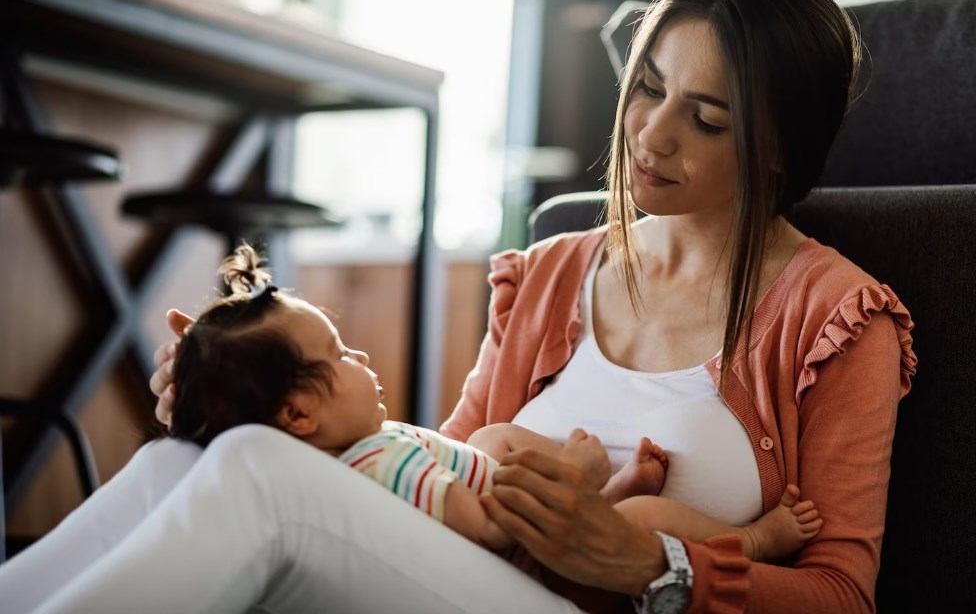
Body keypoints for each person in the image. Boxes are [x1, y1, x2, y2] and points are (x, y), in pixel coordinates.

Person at [0, 0, 916, 613]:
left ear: (778, 149)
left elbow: (840, 593)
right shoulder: (557, 267)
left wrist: (656, 565)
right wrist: (247, 395)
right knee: (185, 459)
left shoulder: (837, 318)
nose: (651, 136)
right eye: (647, 88)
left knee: (255, 473)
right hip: (476, 577)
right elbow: (431, 465)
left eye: (705, 118)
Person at [168, 243, 820, 563]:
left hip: (495, 505)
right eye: (339, 357)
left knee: (494, 438)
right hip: (511, 567)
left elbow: (452, 463)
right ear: (298, 417)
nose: (360, 359)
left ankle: (609, 496)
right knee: (649, 514)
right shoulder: (376, 468)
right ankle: (753, 539)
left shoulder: (356, 458)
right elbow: (487, 532)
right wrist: (577, 480)